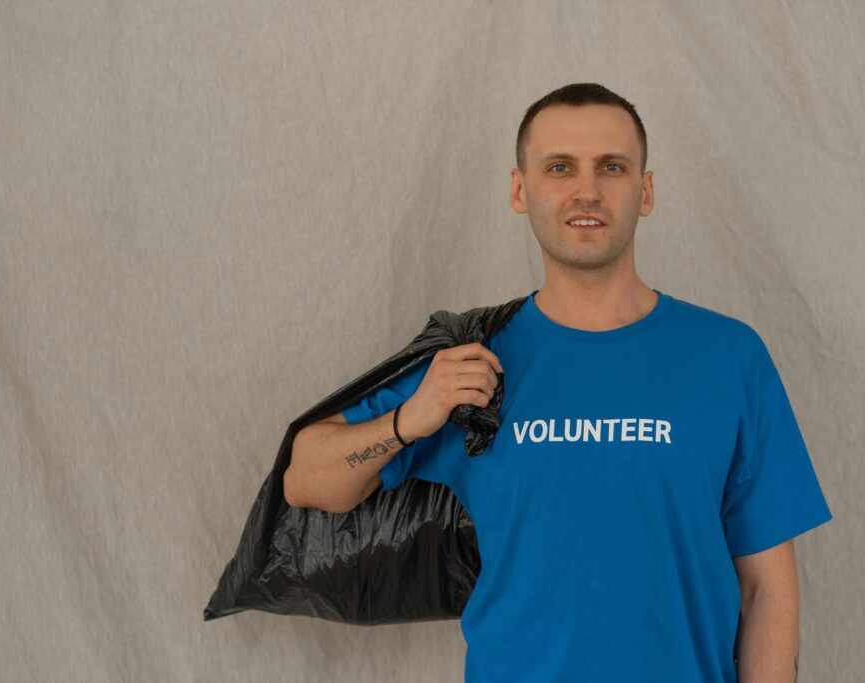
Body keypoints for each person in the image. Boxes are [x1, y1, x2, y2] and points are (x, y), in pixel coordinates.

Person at [283, 82, 832, 682]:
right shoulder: (472, 361)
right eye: (560, 167)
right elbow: (306, 479)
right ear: (521, 190)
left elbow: (768, 592)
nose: (587, 190)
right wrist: (409, 419)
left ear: (645, 191)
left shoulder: (728, 357)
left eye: (612, 167)